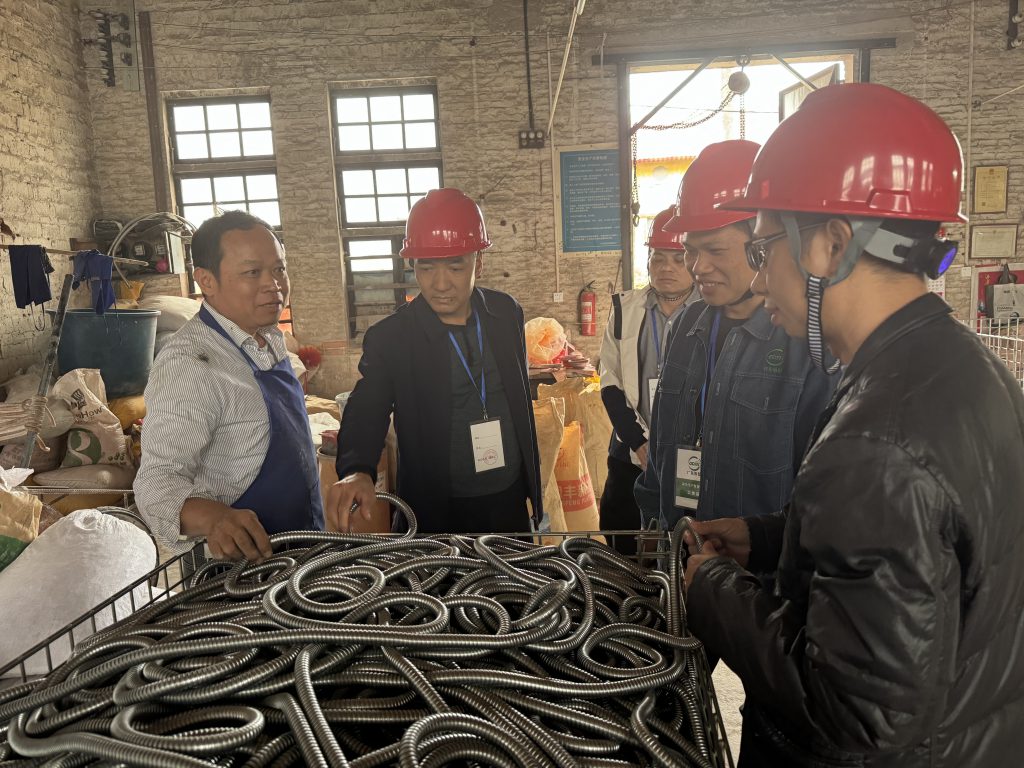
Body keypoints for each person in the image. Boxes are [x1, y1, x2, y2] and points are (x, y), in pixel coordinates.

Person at [684, 83, 1024, 767]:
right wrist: (767, 538)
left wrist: (712, 590)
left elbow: (855, 715)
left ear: (830, 245)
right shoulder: (968, 370)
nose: (758, 281)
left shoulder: (876, 443)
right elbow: (915, 553)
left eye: (762, 250)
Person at [634, 140, 834, 540]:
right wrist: (654, 529)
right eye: (690, 251)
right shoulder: (687, 326)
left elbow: (820, 497)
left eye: (715, 250)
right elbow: (662, 450)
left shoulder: (807, 344)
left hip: (756, 566)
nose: (698, 267)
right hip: (679, 548)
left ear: (763, 243)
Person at [327, 187, 542, 534]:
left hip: (508, 496)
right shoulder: (394, 336)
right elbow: (368, 404)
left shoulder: (505, 314)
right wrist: (357, 468)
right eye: (426, 268)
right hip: (438, 508)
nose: (440, 284)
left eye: (455, 267)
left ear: (479, 262)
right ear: (413, 266)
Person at [135, 211, 322, 561]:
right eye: (253, 272)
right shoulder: (190, 365)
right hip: (240, 571)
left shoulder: (269, 338)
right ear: (207, 280)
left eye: (279, 269)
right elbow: (157, 485)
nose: (274, 285)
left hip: (305, 546)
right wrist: (215, 518)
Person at [599, 206, 700, 555]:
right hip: (631, 450)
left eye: (678, 258)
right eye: (658, 257)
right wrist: (639, 443)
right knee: (622, 537)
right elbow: (609, 382)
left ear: (694, 260)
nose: (666, 267)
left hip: (691, 456)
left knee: (684, 544)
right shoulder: (624, 310)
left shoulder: (711, 313)